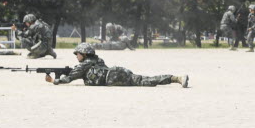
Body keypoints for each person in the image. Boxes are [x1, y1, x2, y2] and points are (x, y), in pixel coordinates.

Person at [48, 42, 188, 88]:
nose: (76, 56)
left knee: (145, 82)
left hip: (114, 79)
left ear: (84, 54)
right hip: (119, 73)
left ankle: (176, 79)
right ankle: (176, 78)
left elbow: (70, 78)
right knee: (146, 80)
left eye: (77, 53)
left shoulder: (83, 66)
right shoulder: (98, 60)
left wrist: (54, 80)